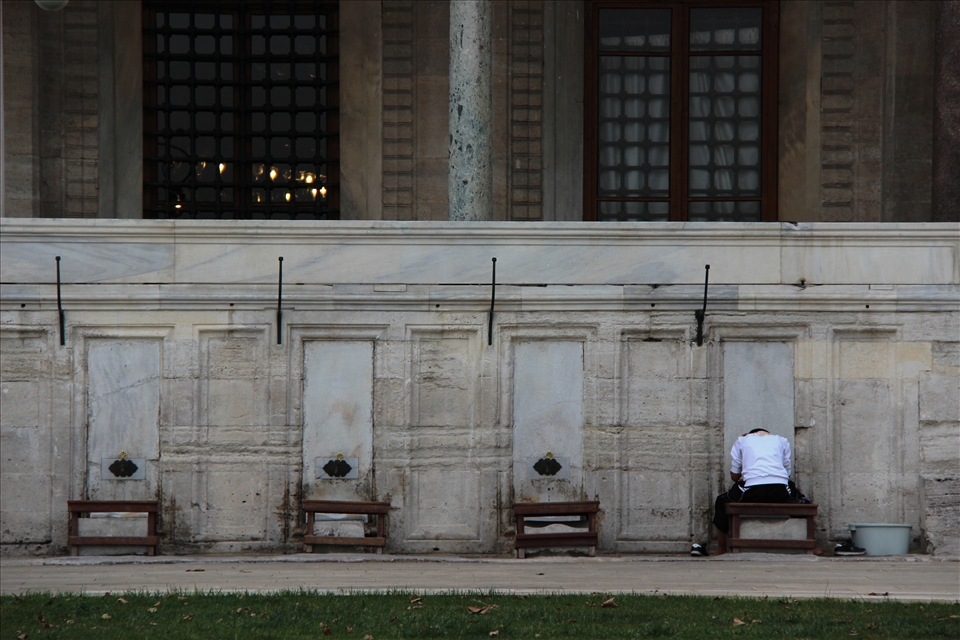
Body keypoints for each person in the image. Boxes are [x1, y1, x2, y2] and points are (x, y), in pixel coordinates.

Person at [691, 428, 795, 557]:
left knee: (721, 501)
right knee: (799, 496)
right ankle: (813, 546)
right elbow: (787, 472)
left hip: (753, 490)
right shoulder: (782, 440)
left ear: (748, 435)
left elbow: (735, 476)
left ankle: (721, 549)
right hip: (780, 491)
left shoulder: (742, 440)